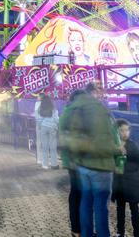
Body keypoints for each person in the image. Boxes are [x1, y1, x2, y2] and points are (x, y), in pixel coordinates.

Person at [61, 82, 123, 237]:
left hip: (78, 162)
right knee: (99, 205)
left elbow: (67, 137)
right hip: (94, 163)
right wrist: (117, 151)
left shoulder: (70, 111)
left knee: (82, 200)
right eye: (98, 91)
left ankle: (81, 232)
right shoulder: (96, 111)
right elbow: (103, 140)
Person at [59, 89, 86, 237]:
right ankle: (77, 230)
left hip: (80, 161)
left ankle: (80, 229)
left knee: (79, 195)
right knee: (78, 195)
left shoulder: (73, 113)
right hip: (75, 162)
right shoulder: (69, 114)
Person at [112, 119, 139, 237]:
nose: (125, 133)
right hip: (119, 184)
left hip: (131, 184)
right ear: (117, 132)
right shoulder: (115, 146)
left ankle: (137, 233)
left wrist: (127, 168)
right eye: (121, 131)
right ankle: (120, 232)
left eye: (127, 130)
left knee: (134, 210)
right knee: (120, 209)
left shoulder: (132, 145)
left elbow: (138, 162)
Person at [36, 94, 59, 169]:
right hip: (52, 128)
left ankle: (45, 165)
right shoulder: (54, 109)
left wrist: (40, 126)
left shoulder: (40, 109)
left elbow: (38, 119)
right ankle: (54, 164)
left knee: (44, 147)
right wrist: (57, 126)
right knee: (53, 147)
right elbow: (56, 120)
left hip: (43, 128)